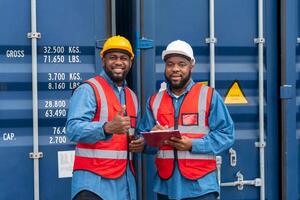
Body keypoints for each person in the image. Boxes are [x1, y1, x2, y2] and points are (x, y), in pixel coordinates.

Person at [138, 40, 235, 200]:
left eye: (181, 64)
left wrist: (193, 144)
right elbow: (144, 141)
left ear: (191, 66)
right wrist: (151, 138)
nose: (175, 69)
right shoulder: (154, 101)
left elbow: (227, 135)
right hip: (166, 187)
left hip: (200, 188)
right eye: (170, 64)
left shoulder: (209, 96)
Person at [66, 35, 144, 200]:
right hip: (93, 184)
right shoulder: (89, 89)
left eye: (123, 58)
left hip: (124, 184)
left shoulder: (132, 96)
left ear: (130, 62)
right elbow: (72, 130)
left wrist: (139, 142)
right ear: (103, 61)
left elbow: (129, 135)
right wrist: (106, 128)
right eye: (112, 57)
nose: (118, 62)